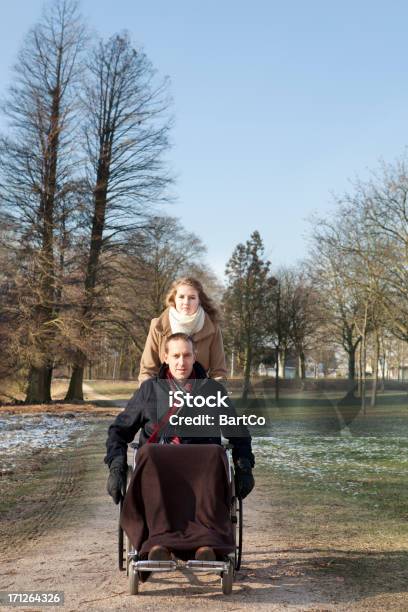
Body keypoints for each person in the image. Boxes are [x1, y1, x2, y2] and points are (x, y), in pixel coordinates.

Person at [105, 333, 254, 562]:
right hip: (158, 469)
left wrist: (243, 468)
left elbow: (238, 433)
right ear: (165, 357)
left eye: (186, 355)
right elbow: (118, 431)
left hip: (201, 470)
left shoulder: (213, 391)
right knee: (148, 452)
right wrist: (116, 468)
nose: (181, 362)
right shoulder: (148, 392)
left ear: (195, 357)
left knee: (215, 453)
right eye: (175, 355)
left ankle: (206, 541)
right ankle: (158, 541)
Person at [138, 277, 227, 383]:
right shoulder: (157, 326)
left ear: (199, 300)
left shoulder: (212, 328)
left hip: (201, 394)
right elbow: (147, 370)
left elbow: (219, 373)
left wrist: (213, 396)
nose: (186, 302)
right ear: (174, 299)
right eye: (181, 297)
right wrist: (149, 394)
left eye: (192, 297)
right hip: (164, 392)